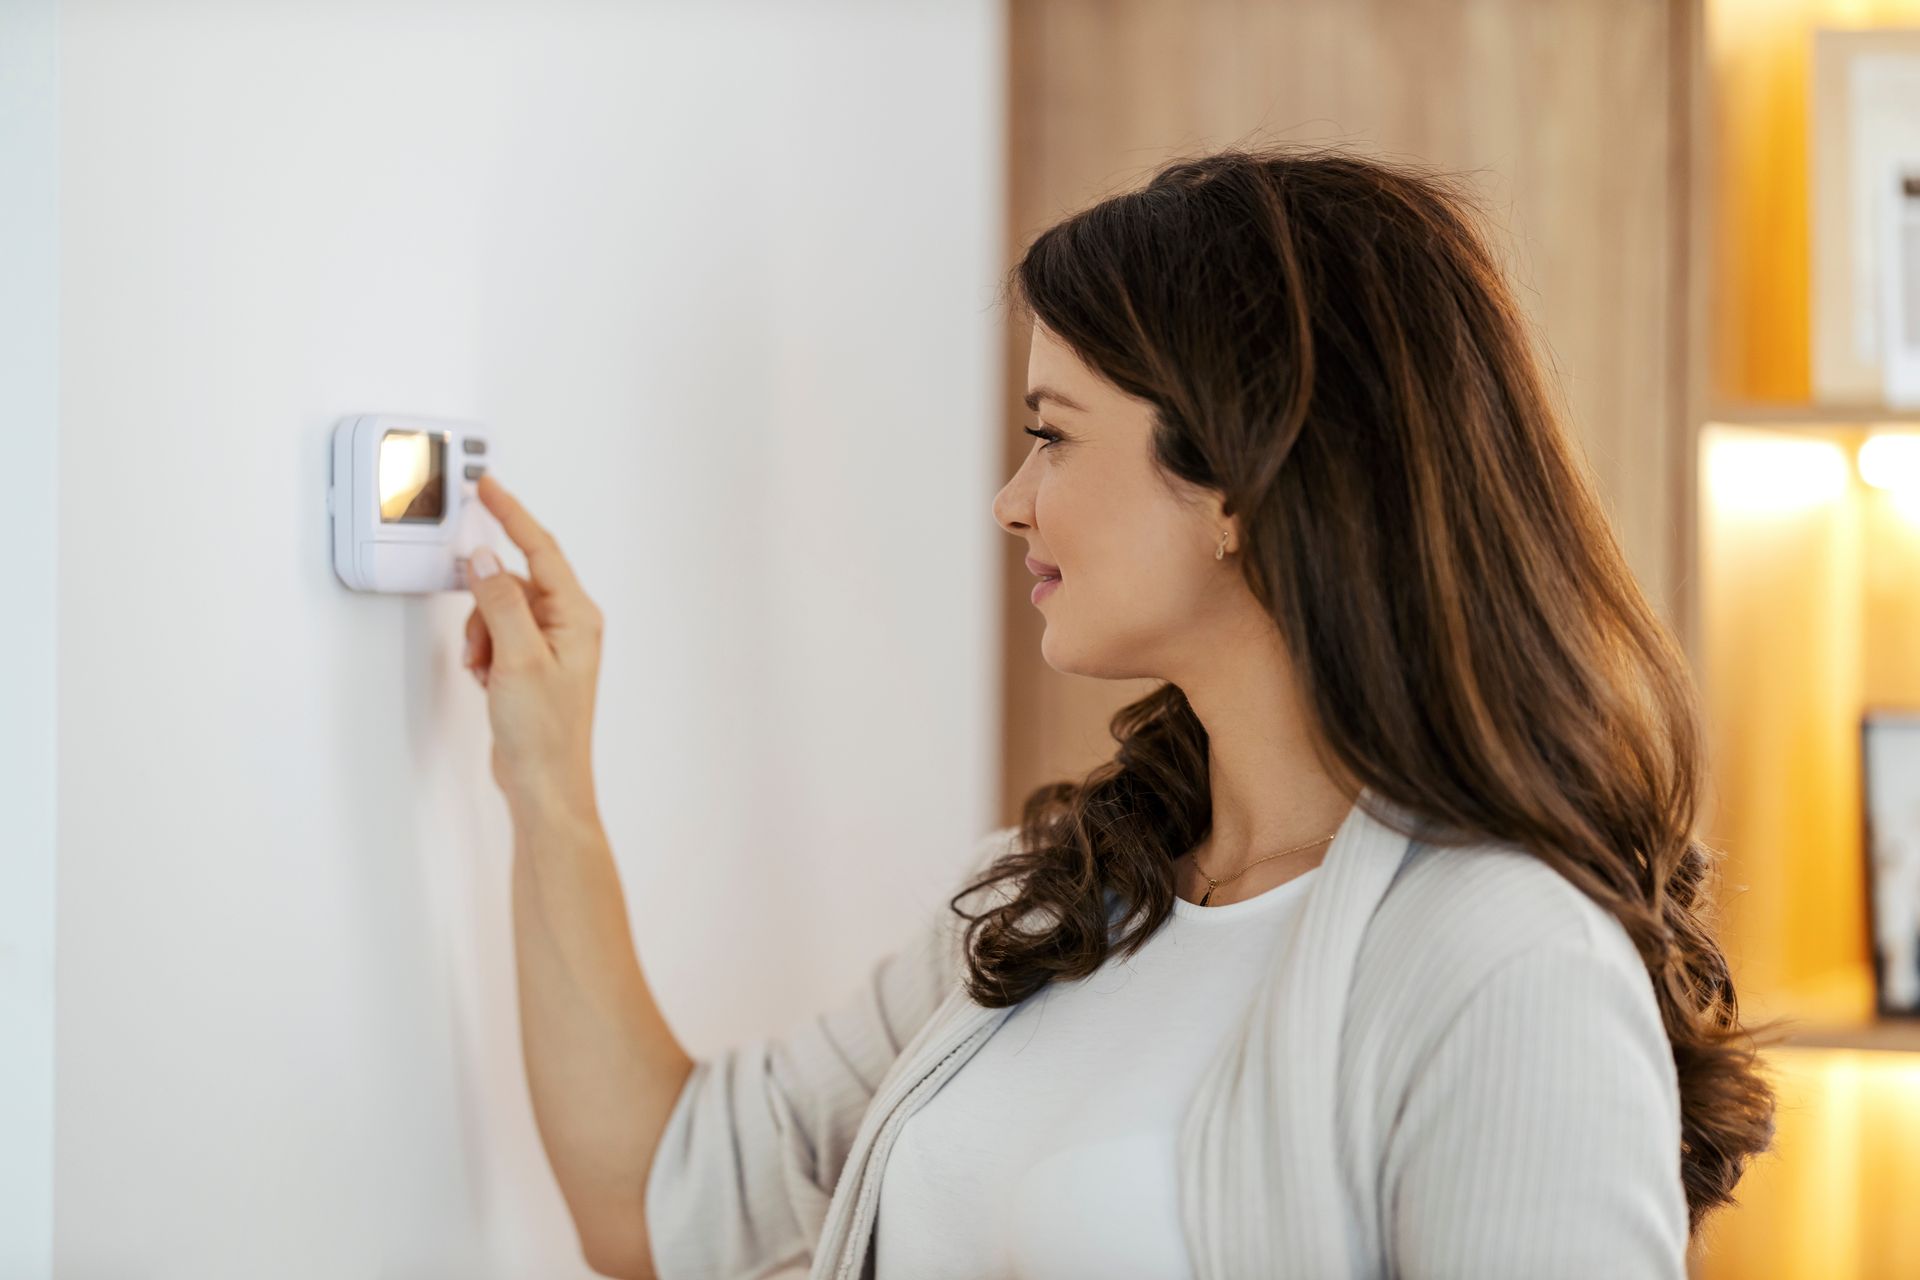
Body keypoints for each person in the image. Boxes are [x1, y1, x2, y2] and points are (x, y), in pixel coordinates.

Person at [459, 143, 1781, 1280]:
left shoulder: (1502, 963)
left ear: (1241, 486)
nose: (1011, 499)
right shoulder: (1050, 905)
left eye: (1054, 433)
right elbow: (656, 1199)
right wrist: (546, 776)